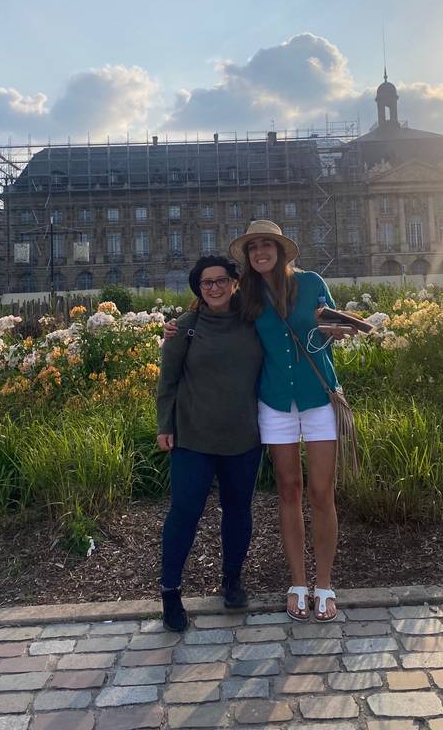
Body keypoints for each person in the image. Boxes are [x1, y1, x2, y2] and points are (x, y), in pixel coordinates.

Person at [229, 220, 352, 623]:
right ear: (248, 256)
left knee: (321, 493)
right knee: (288, 491)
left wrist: (336, 330)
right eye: (253, 248)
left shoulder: (313, 282)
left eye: (267, 245)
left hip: (318, 399)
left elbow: (333, 325)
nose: (260, 252)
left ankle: (325, 584)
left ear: (280, 250)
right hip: (276, 401)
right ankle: (297, 582)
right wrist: (178, 328)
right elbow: (212, 315)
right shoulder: (246, 293)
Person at [156, 255, 263, 632]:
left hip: (244, 436)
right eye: (206, 283)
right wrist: (164, 426)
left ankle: (232, 581)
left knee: (238, 511)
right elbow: (167, 382)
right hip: (193, 438)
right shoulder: (184, 328)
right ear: (198, 290)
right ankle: (170, 592)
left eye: (220, 280)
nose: (214, 288)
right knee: (184, 513)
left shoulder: (255, 322)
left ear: (235, 282)